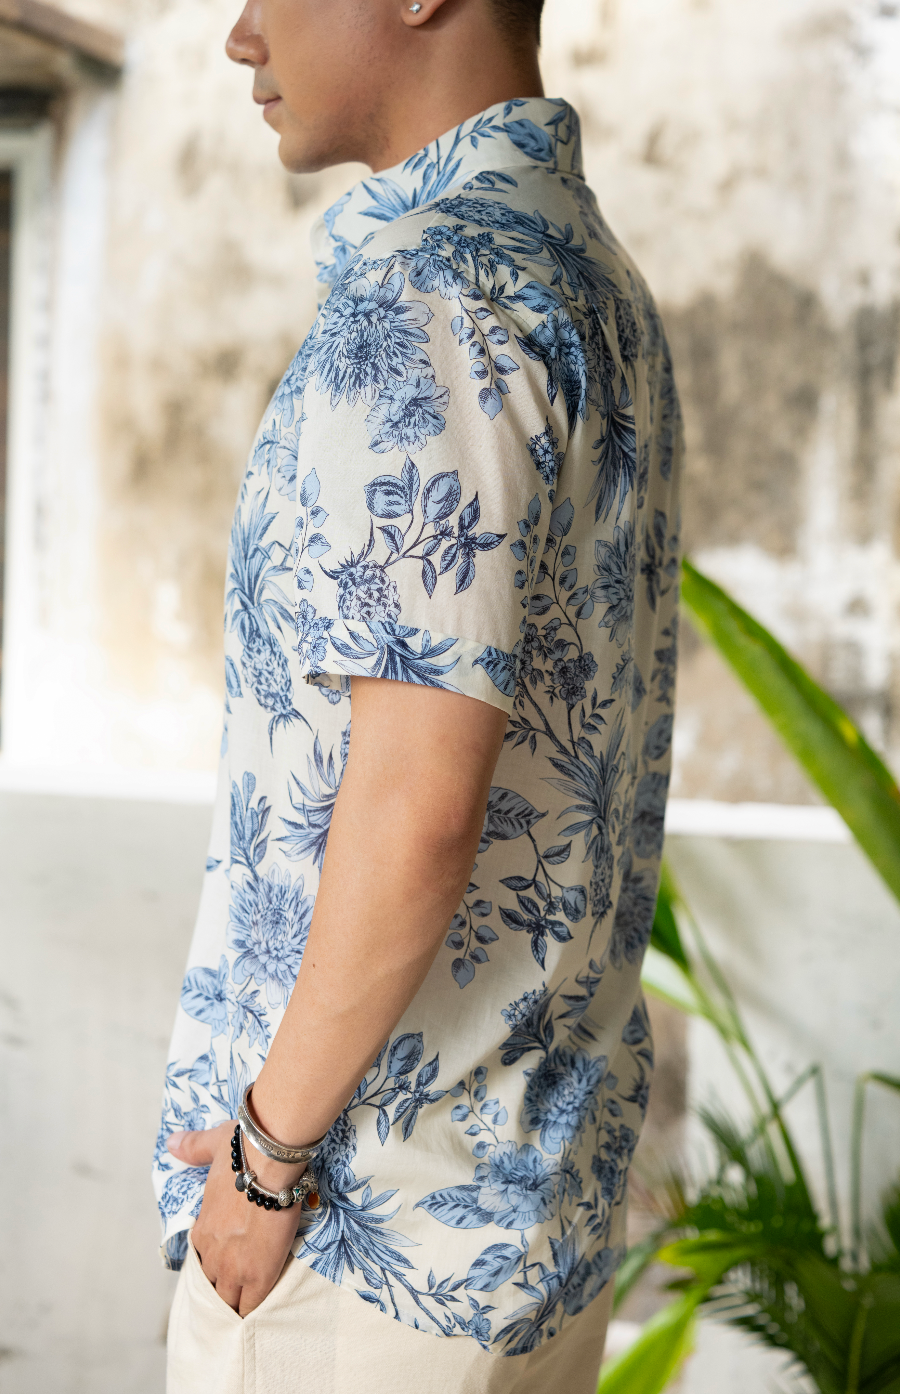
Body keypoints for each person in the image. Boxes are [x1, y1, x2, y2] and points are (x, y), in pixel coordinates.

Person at [156, 0, 683, 1388]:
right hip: (521, 1225)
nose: (241, 36)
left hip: (357, 1241)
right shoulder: (590, 279)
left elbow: (418, 806)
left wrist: (264, 1166)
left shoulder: (435, 300)